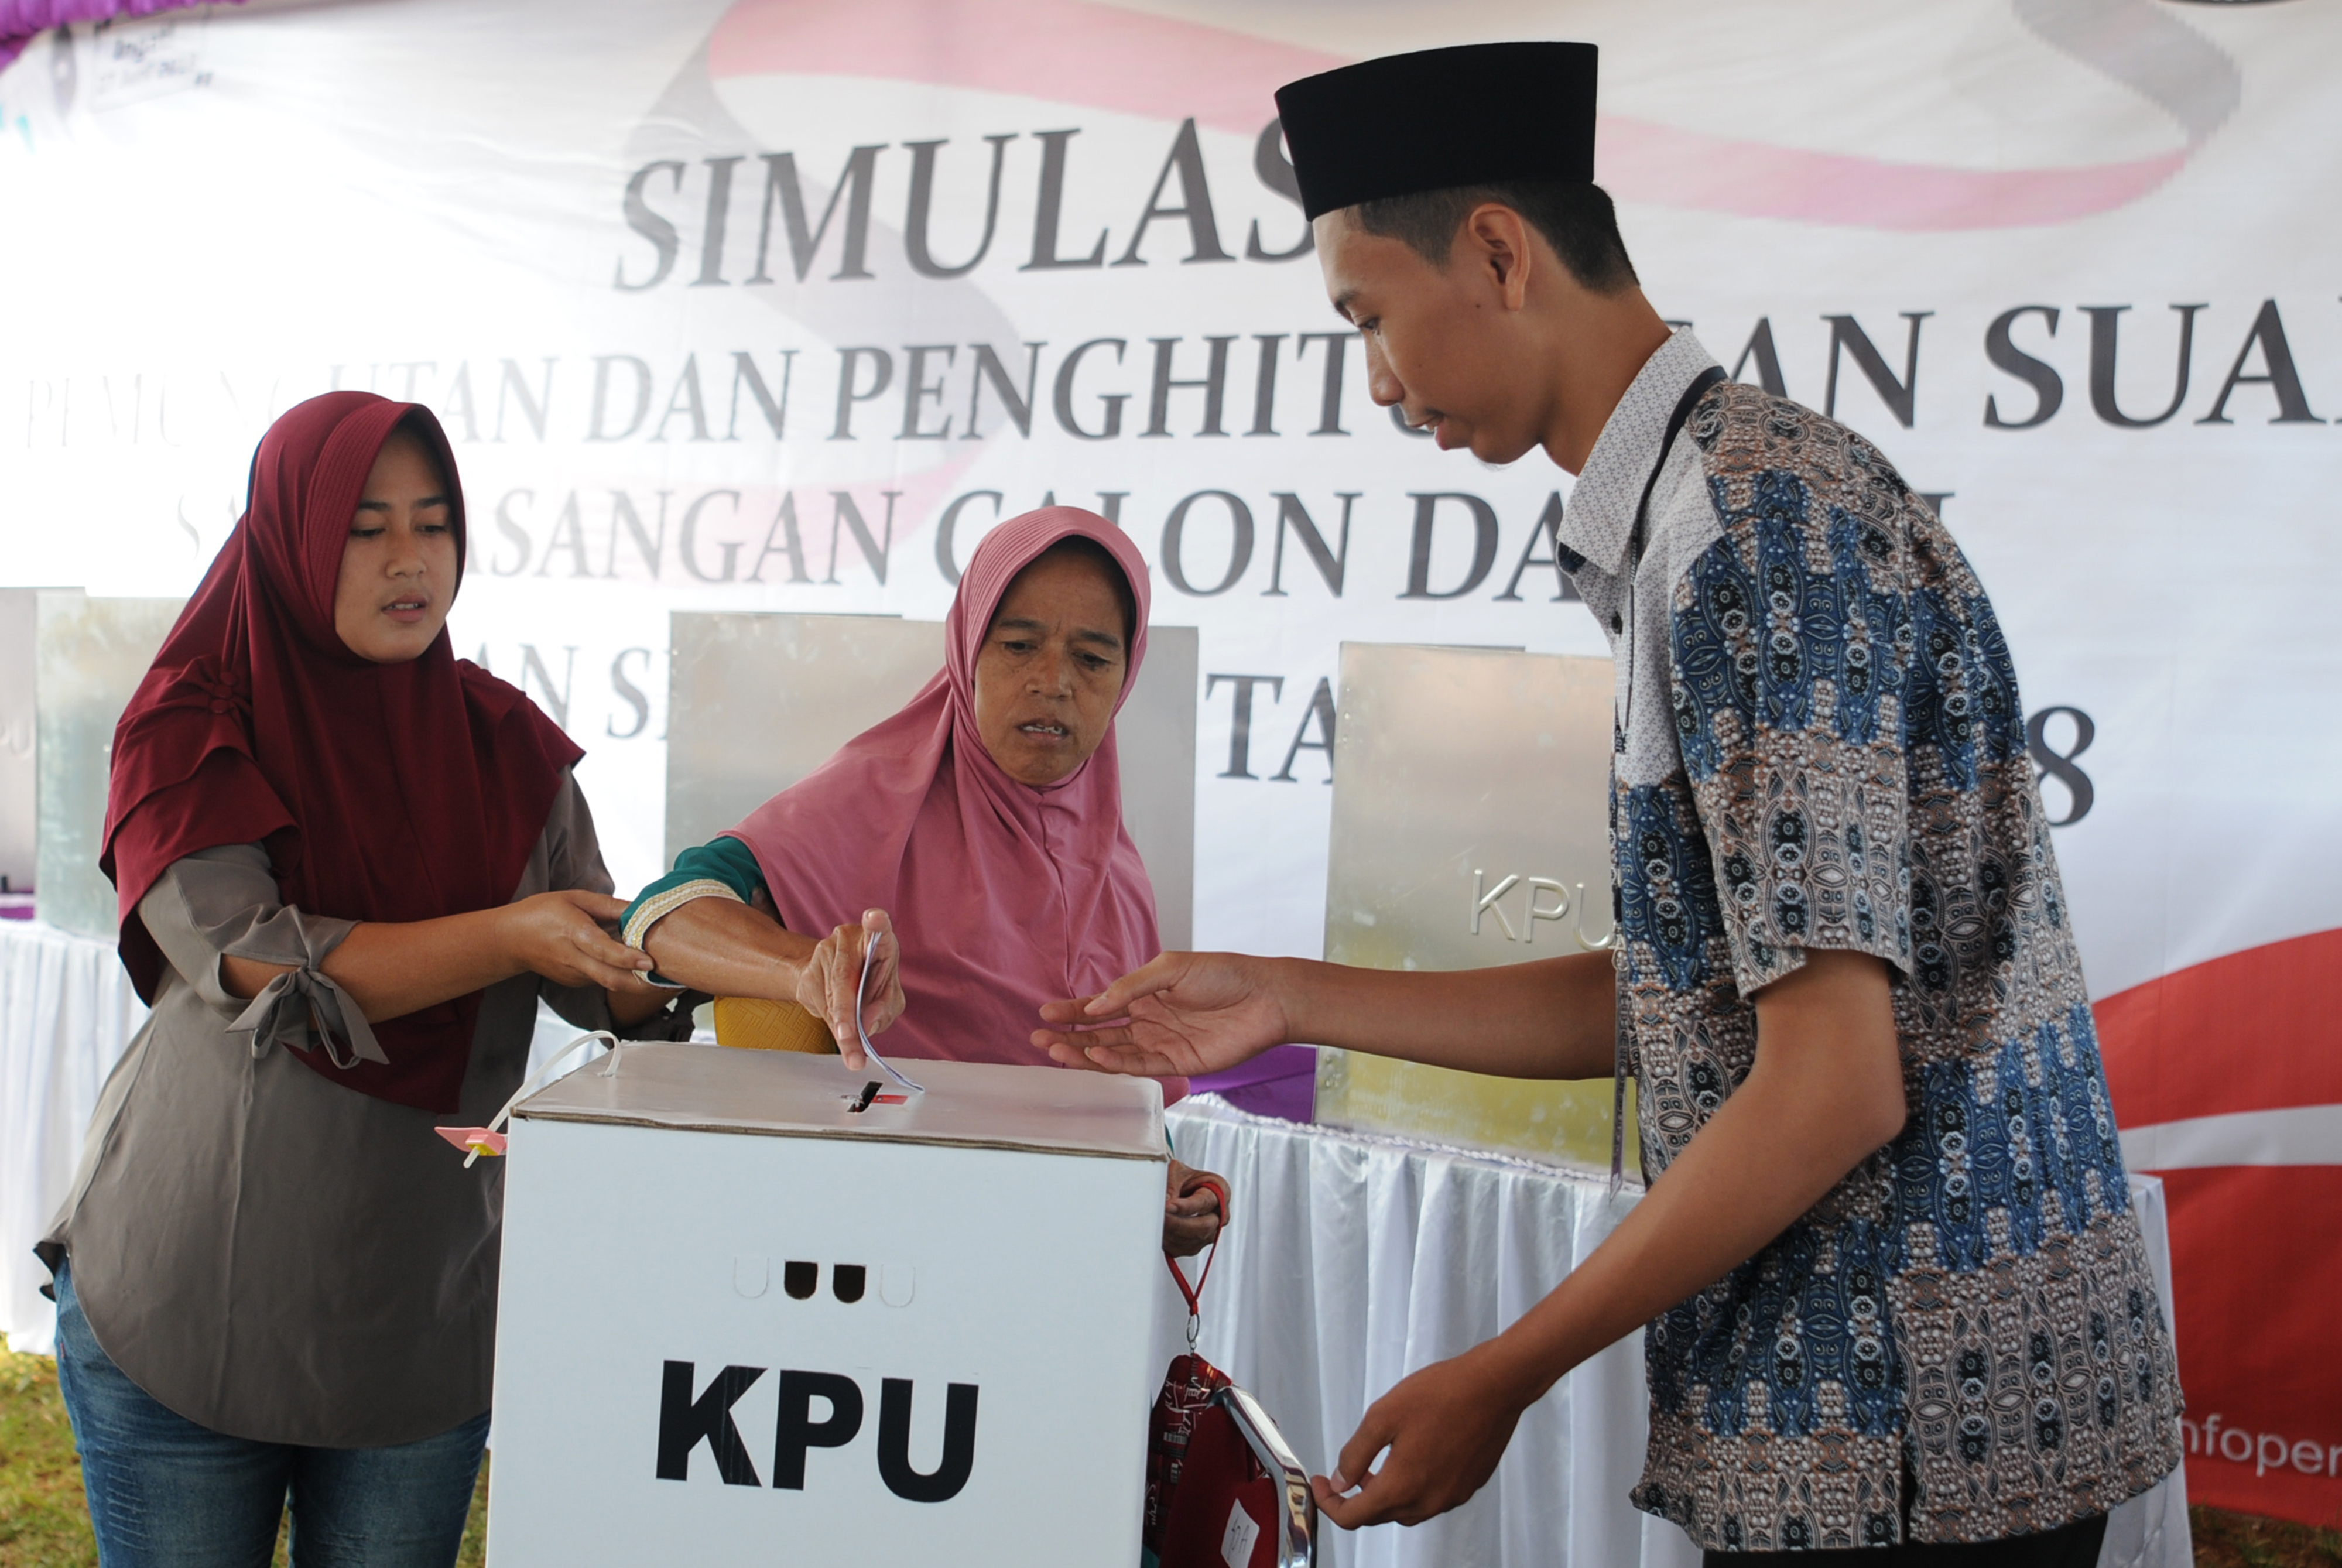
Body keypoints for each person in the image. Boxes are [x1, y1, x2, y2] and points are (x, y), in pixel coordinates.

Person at [1037, 42, 2182, 1563]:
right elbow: (1698, 1002)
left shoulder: (1752, 531)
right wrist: (1290, 997)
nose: (1376, 379)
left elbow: (1832, 1081)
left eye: (1371, 315)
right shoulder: (1702, 518)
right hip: (1876, 1409)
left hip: (1917, 1421)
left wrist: (1503, 1368)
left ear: (1499, 251)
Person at [41, 391, 690, 1567]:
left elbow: (603, 971)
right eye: (364, 526)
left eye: (435, 524)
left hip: (413, 1326)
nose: (410, 560)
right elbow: (258, 961)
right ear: (290, 537)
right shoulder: (190, 726)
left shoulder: (506, 745)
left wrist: (726, 948)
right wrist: (510, 934)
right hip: (190, 1305)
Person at [624, 506, 1227, 1257]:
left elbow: (1116, 1093)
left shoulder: (1116, 867)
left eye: (1093, 659)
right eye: (1017, 645)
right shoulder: (876, 797)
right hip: (875, 1243)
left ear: (1125, 678)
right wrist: (805, 969)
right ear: (968, 647)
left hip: (1053, 1255)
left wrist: (1159, 1176)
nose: (1053, 682)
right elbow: (660, 916)